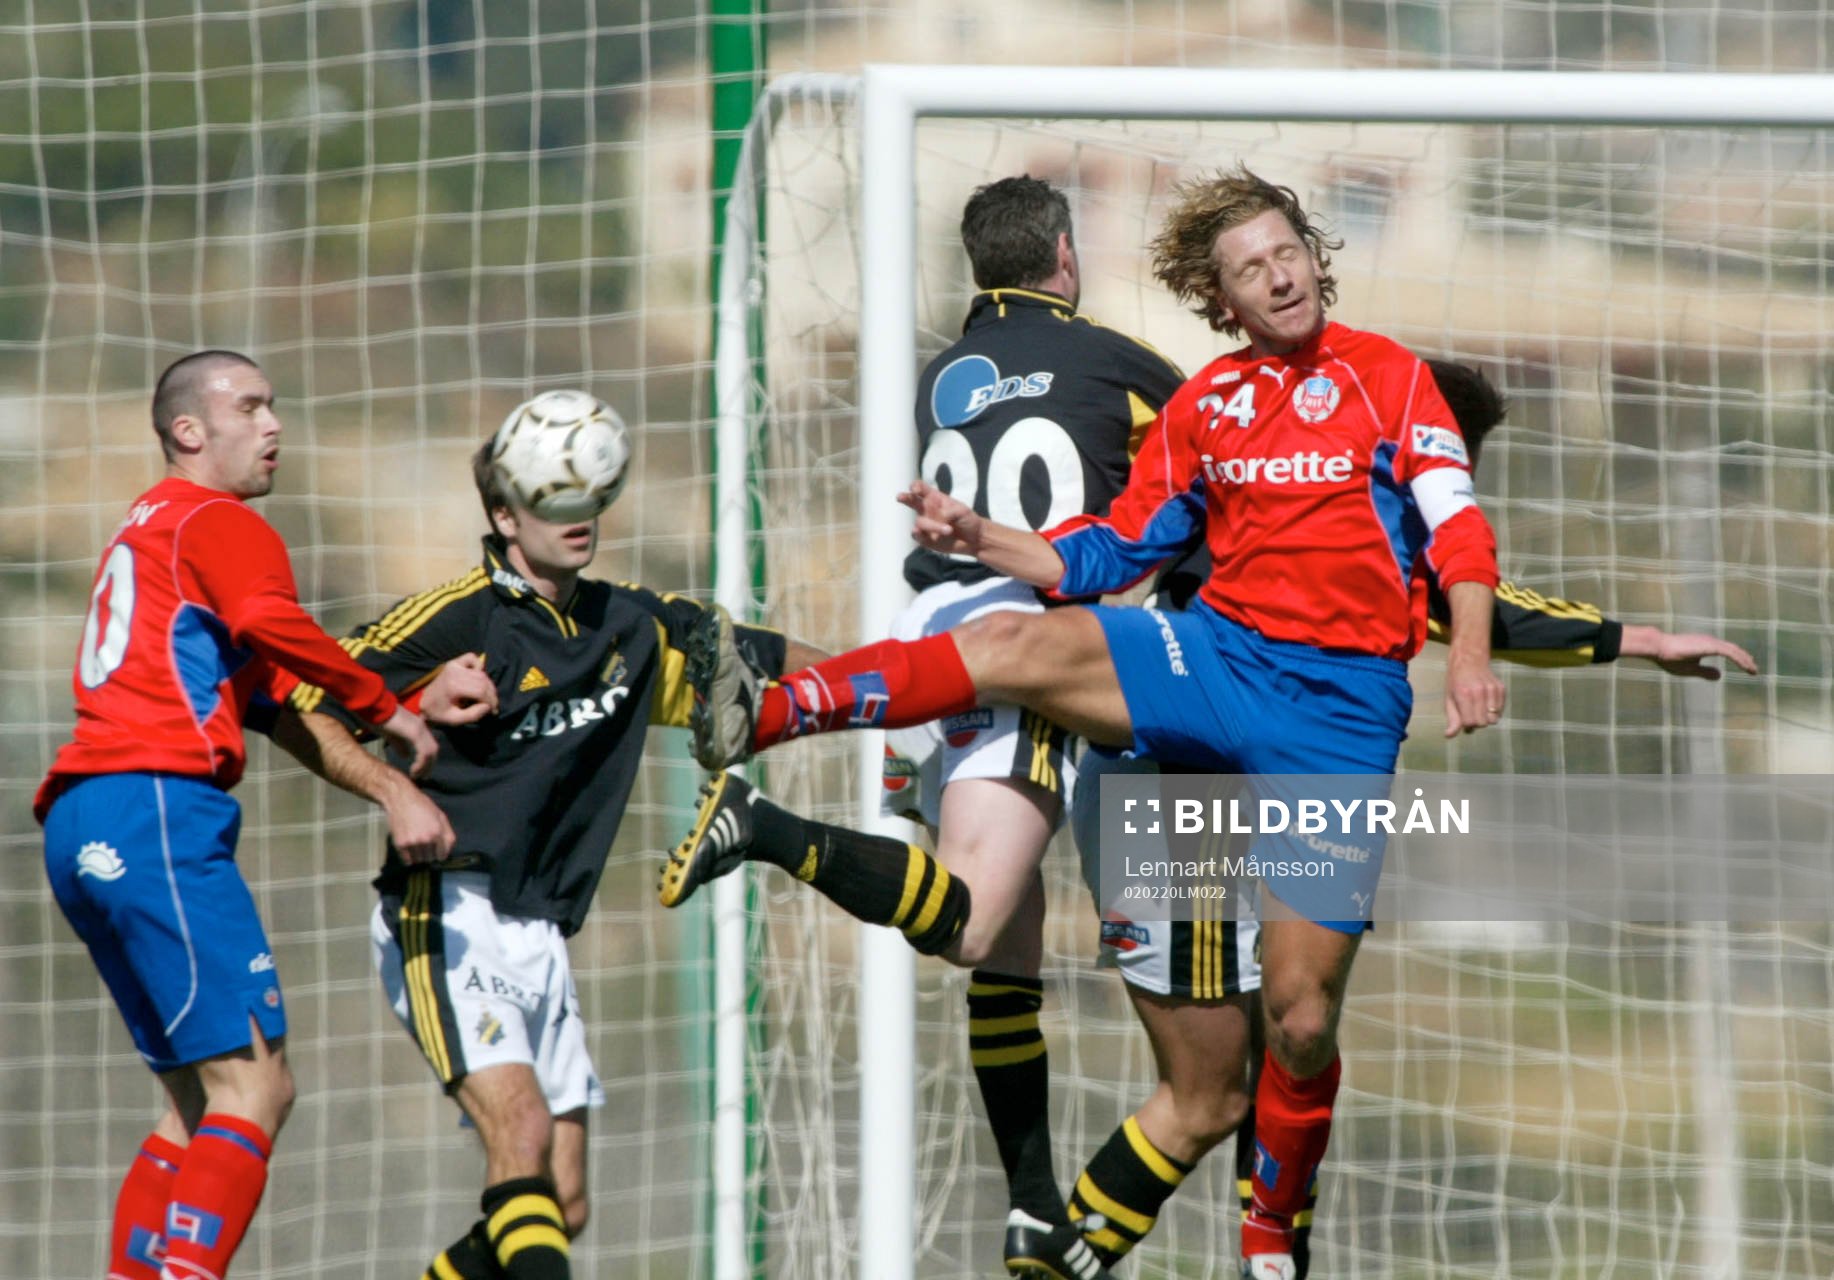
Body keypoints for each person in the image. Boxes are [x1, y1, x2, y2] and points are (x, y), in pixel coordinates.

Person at [674, 163, 1507, 1280]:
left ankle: (1266, 1231)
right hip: (1215, 666)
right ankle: (770, 712)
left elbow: (1456, 524)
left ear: (1316, 257)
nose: (1278, 276)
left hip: (1338, 715)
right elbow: (1111, 548)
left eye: (1288, 252)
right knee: (1016, 646)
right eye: (1250, 268)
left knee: (1300, 1022)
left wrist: (1475, 652)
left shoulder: (1390, 378)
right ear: (1221, 300)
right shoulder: (1200, 405)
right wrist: (983, 536)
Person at [1060, 362, 1760, 1277]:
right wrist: (1637, 640)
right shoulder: (1313, 497)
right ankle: (1051, 1260)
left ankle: (1266, 1256)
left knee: (1292, 1041)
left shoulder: (1312, 481)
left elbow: (1456, 599)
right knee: (1208, 1097)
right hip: (1174, 797)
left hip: (1238, 788)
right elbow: (1449, 597)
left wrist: (1637, 639)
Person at [660, 173, 1184, 1278]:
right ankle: (763, 824)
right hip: (1018, 647)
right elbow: (1193, 479)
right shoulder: (1121, 363)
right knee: (976, 925)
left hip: (922, 634)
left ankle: (1032, 1207)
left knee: (1009, 944)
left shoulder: (943, 374)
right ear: (1065, 254)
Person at [285, 397, 825, 1280]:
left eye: (590, 497)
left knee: (562, 1203)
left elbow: (773, 658)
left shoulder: (628, 622)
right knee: (522, 1132)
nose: (581, 518)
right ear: (505, 515)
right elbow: (300, 700)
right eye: (554, 500)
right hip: (447, 908)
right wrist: (397, 770)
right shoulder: (456, 619)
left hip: (540, 927)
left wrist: (911, 694)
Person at [35, 349, 449, 1280]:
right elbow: (272, 624)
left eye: (273, 407)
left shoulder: (152, 536)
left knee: (196, 1102)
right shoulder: (216, 519)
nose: (274, 426)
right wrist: (390, 709)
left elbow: (279, 701)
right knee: (259, 1086)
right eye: (251, 407)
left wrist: (397, 766)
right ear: (188, 431)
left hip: (83, 820)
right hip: (157, 807)